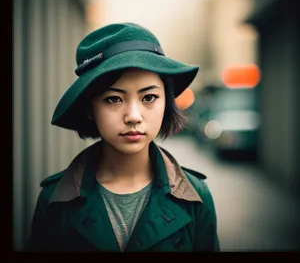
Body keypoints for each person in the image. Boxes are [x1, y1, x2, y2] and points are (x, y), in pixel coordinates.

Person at [27, 22, 220, 252]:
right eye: (113, 99)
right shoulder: (55, 201)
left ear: (166, 101)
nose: (133, 116)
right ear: (90, 108)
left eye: (148, 97)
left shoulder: (196, 198)